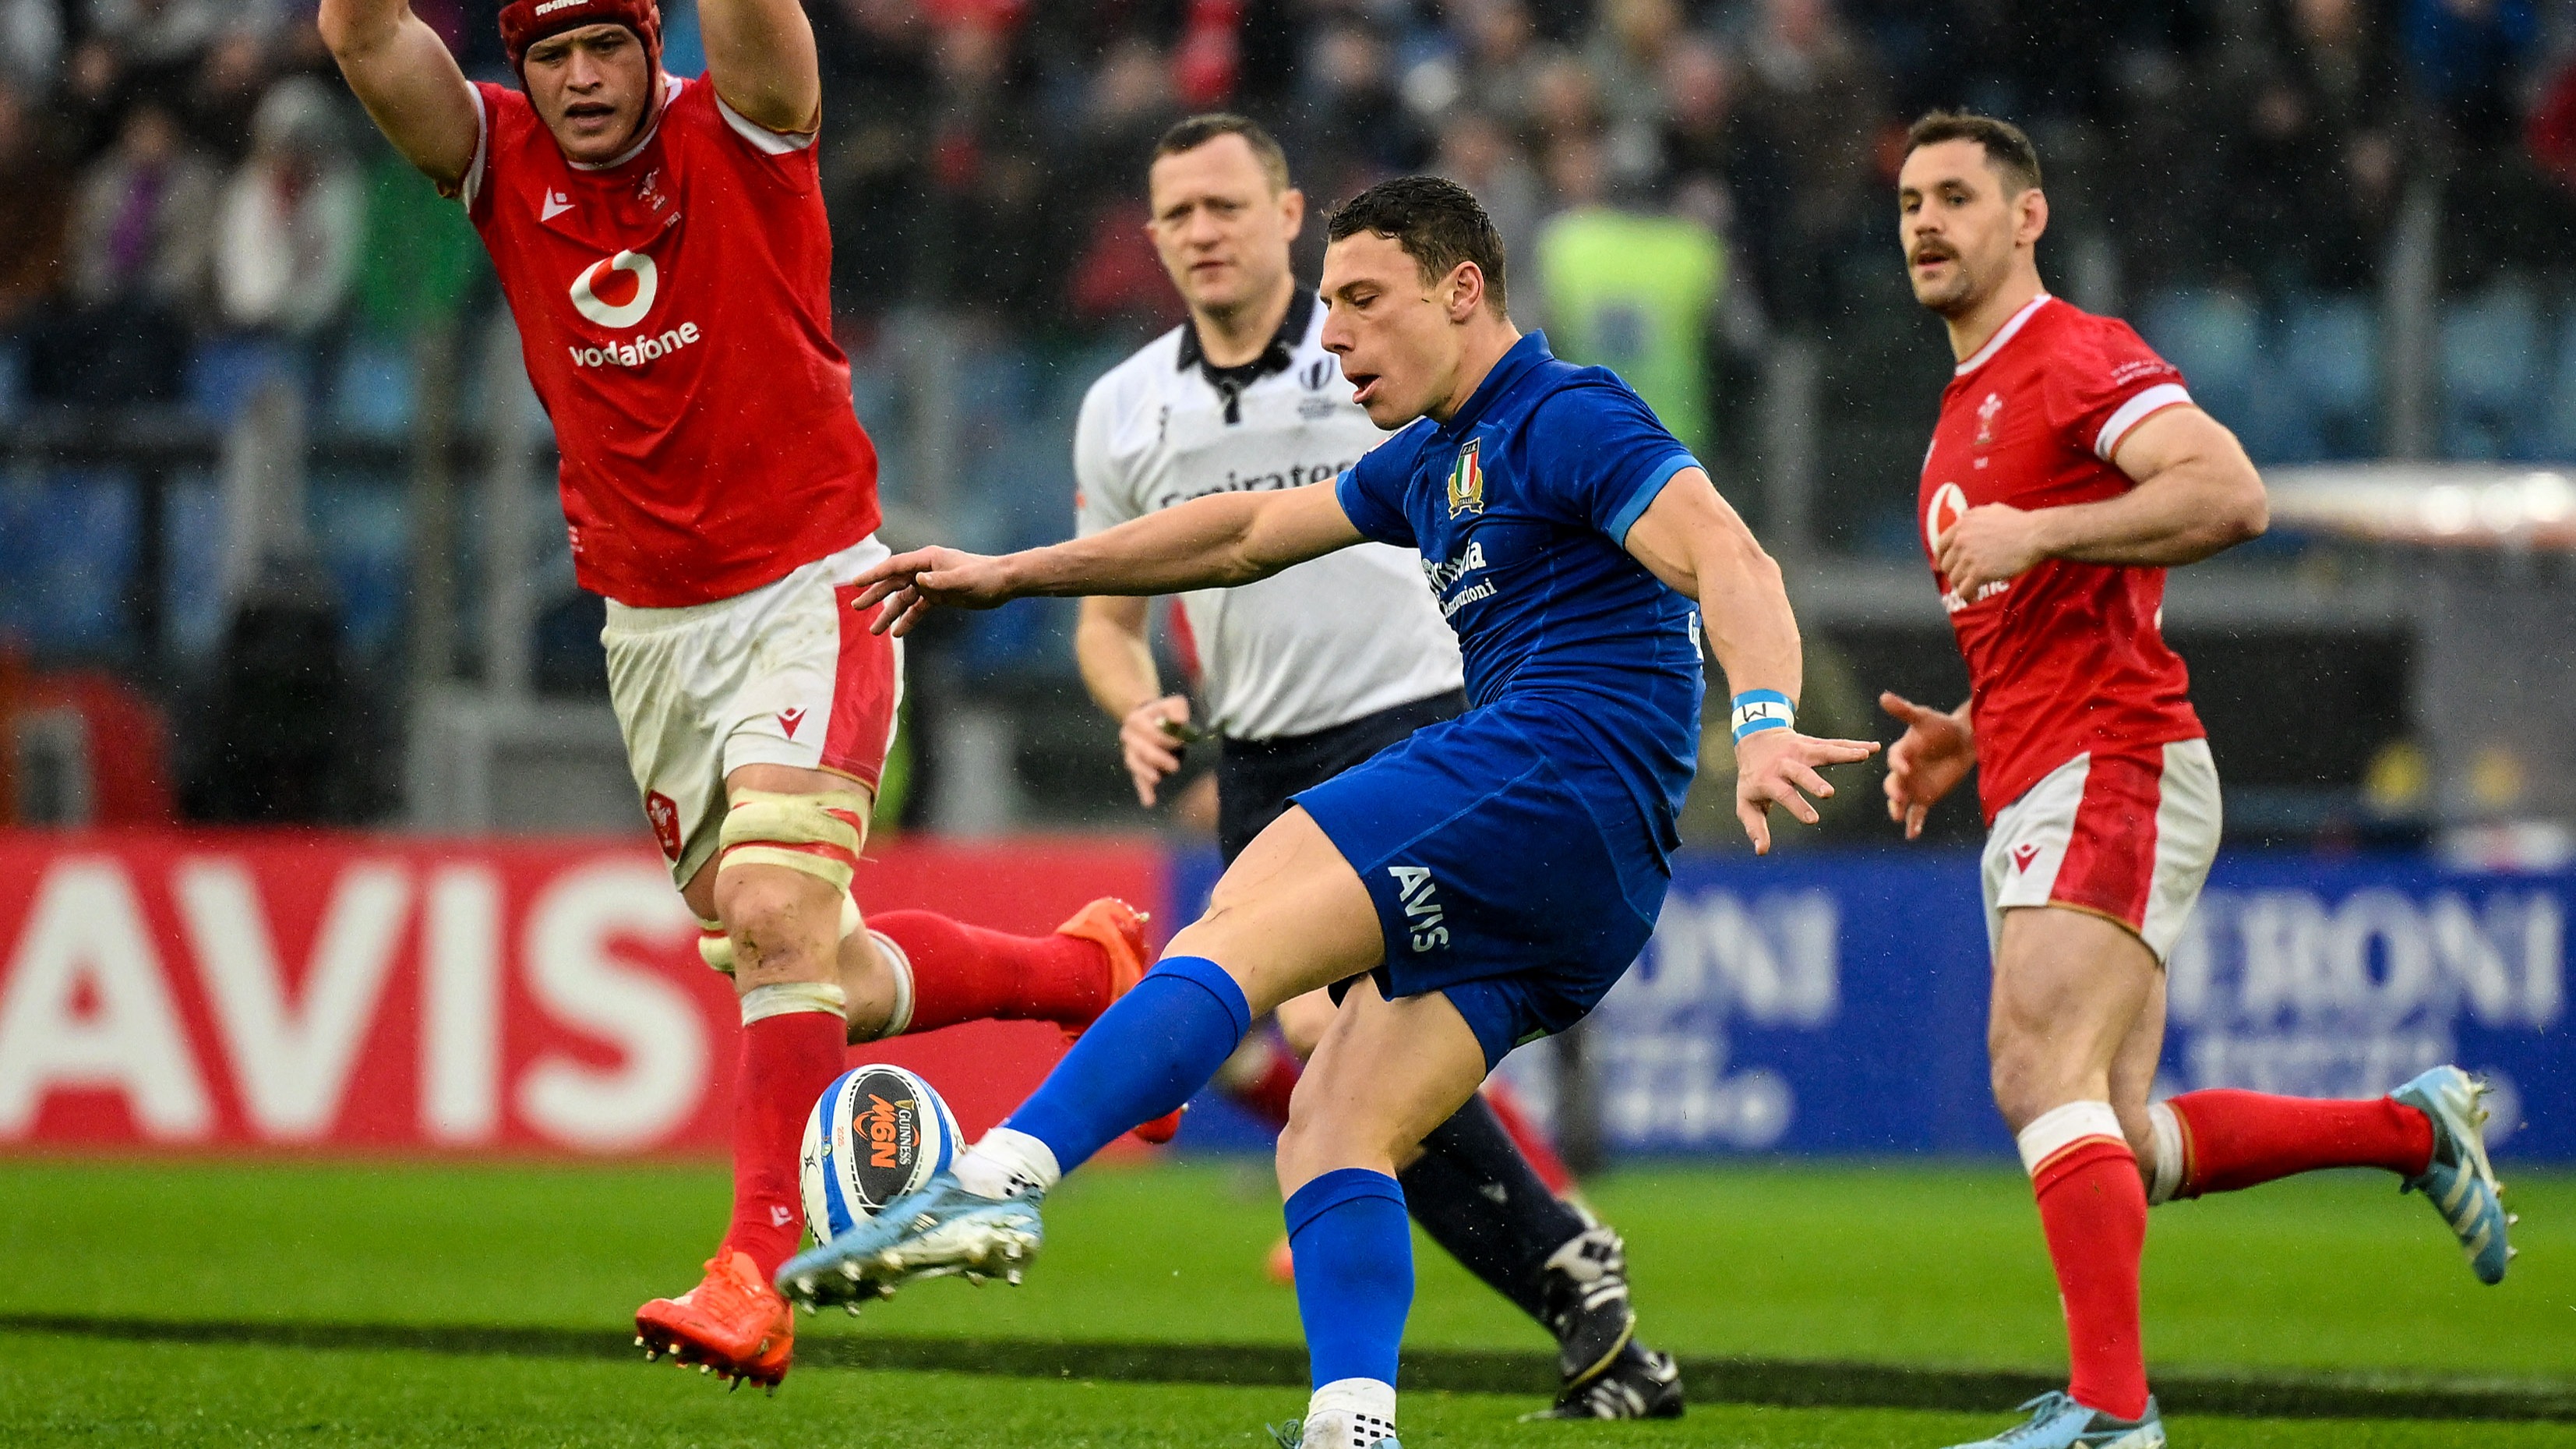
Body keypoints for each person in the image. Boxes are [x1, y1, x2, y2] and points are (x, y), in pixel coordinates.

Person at [785, 175, 1876, 1449]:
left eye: (1362, 301)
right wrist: (1013, 575)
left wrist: (1758, 726)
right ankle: (1352, 1424)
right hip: (1599, 881)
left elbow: (1728, 555)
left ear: (1462, 291)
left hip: (1542, 769)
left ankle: (992, 1183)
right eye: (1328, 307)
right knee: (1333, 1125)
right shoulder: (1428, 460)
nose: (1337, 336)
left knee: (1235, 926)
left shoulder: (1566, 414)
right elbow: (1245, 530)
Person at [317, 0, 1166, 1391]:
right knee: (797, 959)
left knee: (775, 917)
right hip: (647, 631)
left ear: (657, 47)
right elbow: (359, 36)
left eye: (608, 46)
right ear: (517, 66)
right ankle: (1084, 975)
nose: (582, 79)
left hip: (811, 587)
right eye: (551, 54)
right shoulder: (495, 155)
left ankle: (753, 1272)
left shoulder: (746, 127)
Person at [1880, 111, 2514, 1449]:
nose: (1925, 223)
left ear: (2025, 217)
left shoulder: (2074, 356)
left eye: (1954, 196)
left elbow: (2230, 494)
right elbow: (2049, 622)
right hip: (2046, 756)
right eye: (1907, 204)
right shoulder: (1960, 412)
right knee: (2115, 1129)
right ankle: (2409, 1134)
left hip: (2114, 756)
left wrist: (2040, 525)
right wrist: (1963, 728)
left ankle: (2113, 1413)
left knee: (2030, 1065)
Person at [1072, 111, 1679, 1420]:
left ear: (1284, 215)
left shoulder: (1372, 344)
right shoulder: (1122, 408)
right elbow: (1115, 621)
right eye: (1176, 213)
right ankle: (1565, 1276)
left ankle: (1021, 1168)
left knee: (1314, 1038)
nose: (1202, 233)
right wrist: (1133, 703)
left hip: (1408, 721)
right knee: (1331, 1075)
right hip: (1257, 753)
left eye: (1226, 206)